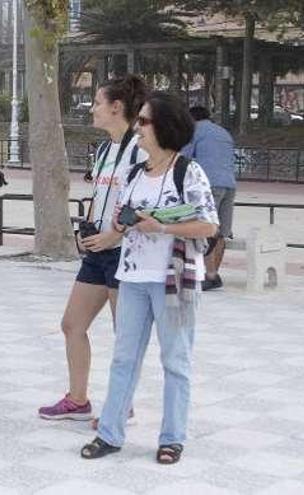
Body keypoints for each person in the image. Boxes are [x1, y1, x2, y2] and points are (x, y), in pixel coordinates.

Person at [81, 92, 219, 464]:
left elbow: (209, 224)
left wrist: (161, 225)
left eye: (143, 122)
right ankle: (110, 433)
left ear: (164, 127)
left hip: (174, 280)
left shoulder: (187, 171)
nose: (138, 128)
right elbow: (124, 222)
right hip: (133, 277)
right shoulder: (135, 173)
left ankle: (172, 438)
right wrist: (118, 227)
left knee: (175, 360)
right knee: (124, 358)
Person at [38, 75, 149, 421]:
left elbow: (140, 204)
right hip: (97, 251)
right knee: (72, 324)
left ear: (117, 107)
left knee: (124, 334)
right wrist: (88, 228)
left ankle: (120, 405)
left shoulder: (140, 149)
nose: (92, 110)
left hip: (124, 252)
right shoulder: (104, 149)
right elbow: (102, 195)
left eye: (97, 103)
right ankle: (77, 398)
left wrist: (114, 235)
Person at [181, 106, 236, 291]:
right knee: (221, 232)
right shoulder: (224, 133)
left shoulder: (195, 131)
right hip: (230, 184)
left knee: (206, 228)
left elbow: (183, 156)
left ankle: (209, 274)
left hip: (209, 184)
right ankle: (213, 274)